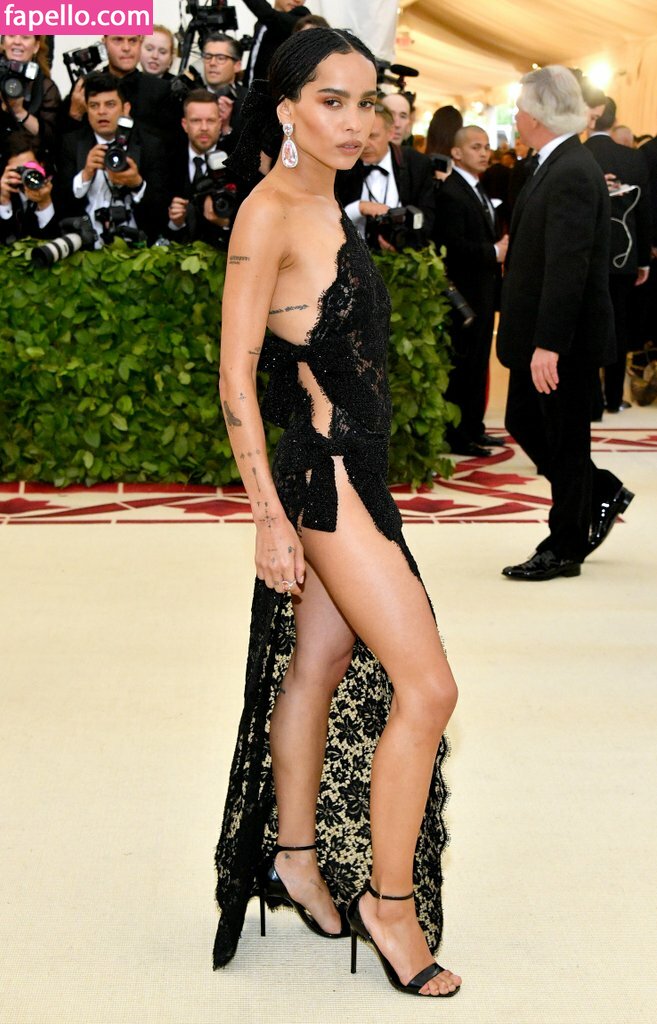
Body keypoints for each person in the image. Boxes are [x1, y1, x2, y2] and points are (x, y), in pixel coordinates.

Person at [213, 28, 461, 999]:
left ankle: (297, 857)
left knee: (317, 666)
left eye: (366, 103)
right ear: (286, 110)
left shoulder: (328, 199)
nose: (355, 122)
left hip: (357, 470)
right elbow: (235, 376)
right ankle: (388, 906)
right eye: (331, 101)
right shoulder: (270, 211)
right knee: (428, 689)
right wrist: (268, 518)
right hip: (326, 481)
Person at [497, 66, 633, 581]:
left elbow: (568, 266)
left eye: (519, 108)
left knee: (565, 440)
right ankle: (599, 492)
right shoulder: (553, 163)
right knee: (526, 422)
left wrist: (549, 343)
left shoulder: (571, 169)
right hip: (541, 332)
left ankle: (565, 545)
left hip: (562, 339)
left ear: (537, 115)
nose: (515, 116)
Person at [434, 125, 508, 457]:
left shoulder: (476, 187)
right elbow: (452, 246)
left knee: (478, 365)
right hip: (464, 295)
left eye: (487, 147)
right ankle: (459, 435)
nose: (485, 153)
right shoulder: (451, 191)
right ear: (457, 152)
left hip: (483, 291)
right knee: (463, 366)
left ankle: (474, 428)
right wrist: (494, 251)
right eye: (476, 147)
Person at [586, 96, 651, 414]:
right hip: (624, 253)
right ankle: (614, 397)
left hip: (586, 255)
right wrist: (643, 259)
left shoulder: (578, 154)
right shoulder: (632, 157)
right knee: (618, 325)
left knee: (586, 325)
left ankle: (590, 401)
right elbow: (644, 211)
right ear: (613, 120)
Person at [57, 72, 170, 246]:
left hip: (138, 247)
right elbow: (61, 207)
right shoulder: (71, 143)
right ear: (87, 109)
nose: (101, 112)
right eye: (94, 105)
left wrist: (137, 184)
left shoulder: (150, 145)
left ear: (126, 108)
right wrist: (85, 175)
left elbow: (160, 212)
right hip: (86, 247)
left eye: (110, 104)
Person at [336, 103, 435, 248]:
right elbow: (327, 221)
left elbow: (427, 218)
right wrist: (358, 208)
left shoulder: (416, 164)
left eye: (372, 136)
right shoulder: (341, 165)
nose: (365, 144)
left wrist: (403, 246)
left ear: (391, 133)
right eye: (359, 136)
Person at [166, 90, 233, 246]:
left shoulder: (236, 164)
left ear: (220, 123)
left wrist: (225, 223)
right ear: (185, 125)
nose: (204, 127)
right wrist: (176, 223)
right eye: (196, 121)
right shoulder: (167, 160)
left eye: (210, 121)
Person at [0, 34, 61, 160]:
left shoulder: (45, 87)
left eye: (25, 37)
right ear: (3, 42)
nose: (17, 41)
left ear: (36, 46)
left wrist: (19, 112)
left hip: (31, 161)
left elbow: (52, 139)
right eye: (11, 35)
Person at [0, 136, 57, 244]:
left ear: (41, 165)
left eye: (29, 168)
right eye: (19, 170)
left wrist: (45, 202)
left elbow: (55, 239)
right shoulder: (6, 190)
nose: (25, 175)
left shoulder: (57, 189)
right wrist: (4, 201)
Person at [240, 0, 310, 88]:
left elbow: (267, 14)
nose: (298, 1)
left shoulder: (299, 20)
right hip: (250, 89)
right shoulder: (263, 23)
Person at [196, 33, 247, 148]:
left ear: (237, 65)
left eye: (220, 58)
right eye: (208, 57)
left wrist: (225, 128)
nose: (212, 63)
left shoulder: (252, 103)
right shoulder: (191, 98)